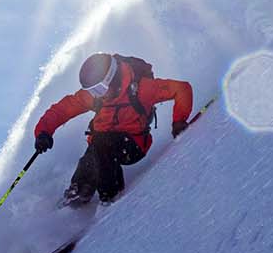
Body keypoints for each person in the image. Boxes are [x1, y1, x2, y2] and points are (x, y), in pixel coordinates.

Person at [32, 53, 194, 207]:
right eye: (93, 91)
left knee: (103, 145)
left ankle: (109, 196)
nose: (97, 95)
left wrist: (179, 121)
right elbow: (63, 109)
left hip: (133, 144)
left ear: (113, 79)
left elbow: (181, 89)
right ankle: (79, 191)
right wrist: (44, 132)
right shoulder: (96, 97)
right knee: (92, 156)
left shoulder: (141, 89)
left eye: (100, 90)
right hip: (101, 144)